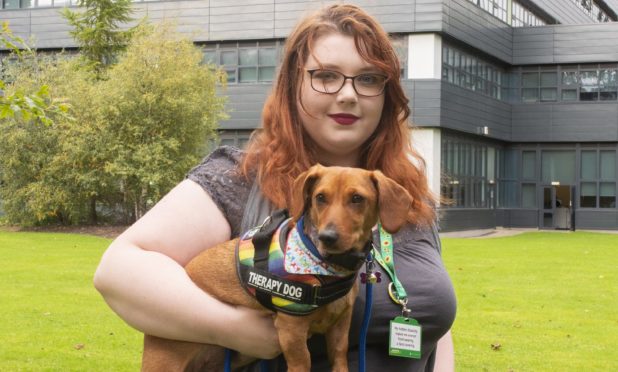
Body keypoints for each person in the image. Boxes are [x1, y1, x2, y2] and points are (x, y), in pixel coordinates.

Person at [94, 4, 456, 371]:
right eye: (326, 76)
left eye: (367, 79)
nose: (348, 94)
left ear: (387, 93)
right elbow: (118, 272)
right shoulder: (240, 178)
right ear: (292, 86)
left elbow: (434, 320)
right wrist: (233, 329)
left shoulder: (407, 194)